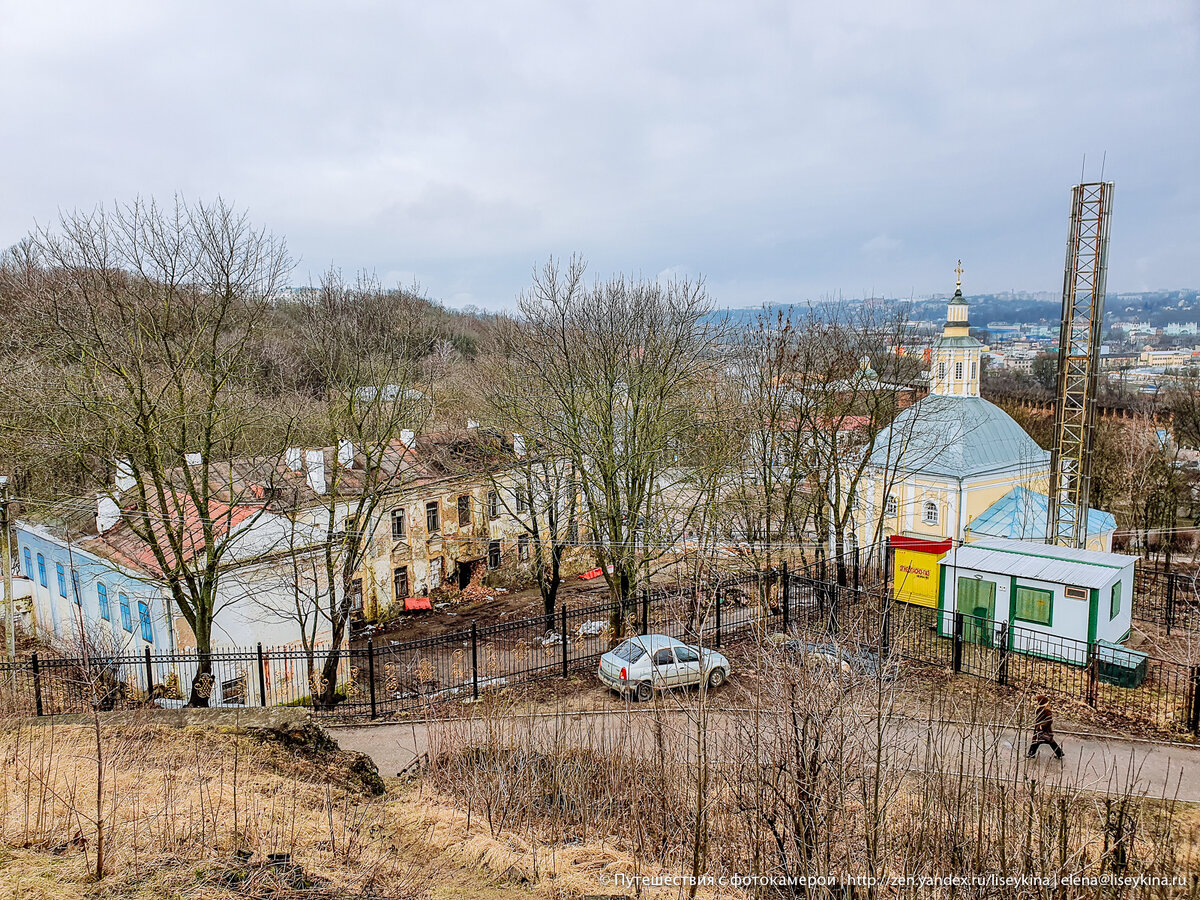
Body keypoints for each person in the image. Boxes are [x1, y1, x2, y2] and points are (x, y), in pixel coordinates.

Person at [1027, 693, 1065, 760]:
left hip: (1043, 729)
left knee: (1037, 741)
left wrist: (1042, 726)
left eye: (1037, 701)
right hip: (1040, 728)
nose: (1036, 702)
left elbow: (1049, 720)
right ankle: (1059, 753)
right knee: (1047, 741)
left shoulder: (1046, 710)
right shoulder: (1041, 709)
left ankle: (1031, 754)